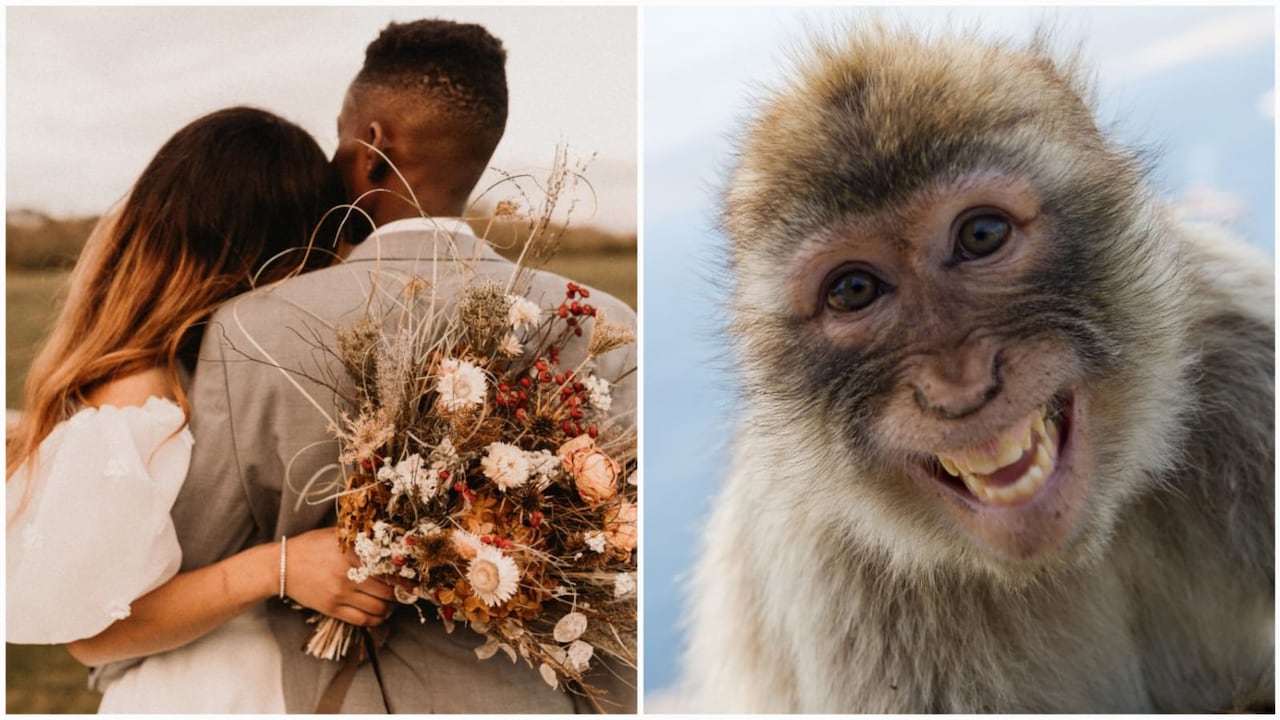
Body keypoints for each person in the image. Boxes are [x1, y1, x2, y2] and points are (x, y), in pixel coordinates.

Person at [157, 19, 638, 713]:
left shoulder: (252, 328)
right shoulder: (603, 323)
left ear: (373, 145)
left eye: (340, 134)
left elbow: (194, 564)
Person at [5, 106, 401, 712]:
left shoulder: (226, 370)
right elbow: (91, 636)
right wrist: (278, 567)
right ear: (275, 251)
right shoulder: (142, 392)